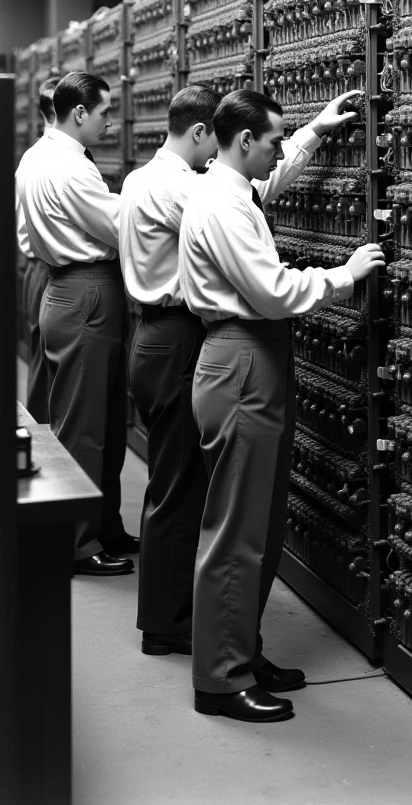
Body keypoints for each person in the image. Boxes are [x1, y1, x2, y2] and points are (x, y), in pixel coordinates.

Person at [178, 88, 385, 723]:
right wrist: (345, 275)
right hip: (242, 360)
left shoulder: (231, 189)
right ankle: (220, 678)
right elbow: (270, 291)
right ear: (244, 142)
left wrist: (315, 134)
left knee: (261, 528)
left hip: (252, 360)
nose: (276, 151)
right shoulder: (223, 207)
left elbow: (266, 184)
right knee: (236, 533)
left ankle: (242, 650)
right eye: (271, 141)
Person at [15, 70, 137, 576]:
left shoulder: (34, 158)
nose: (112, 122)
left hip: (63, 284)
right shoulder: (72, 170)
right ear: (80, 113)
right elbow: (120, 226)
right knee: (84, 427)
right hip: (87, 288)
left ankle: (104, 525)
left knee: (97, 418)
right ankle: (80, 543)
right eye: (106, 112)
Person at [120, 85, 221, 655]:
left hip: (149, 336)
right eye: (216, 139)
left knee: (169, 480)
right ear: (201, 132)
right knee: (179, 487)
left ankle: (166, 615)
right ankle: (166, 624)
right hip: (178, 338)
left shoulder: (138, 178)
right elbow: (238, 200)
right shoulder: (183, 185)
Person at [17, 77, 59, 423]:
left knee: (42, 362)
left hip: (37, 269)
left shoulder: (33, 157)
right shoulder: (47, 159)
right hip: (46, 270)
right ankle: (44, 443)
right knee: (46, 368)